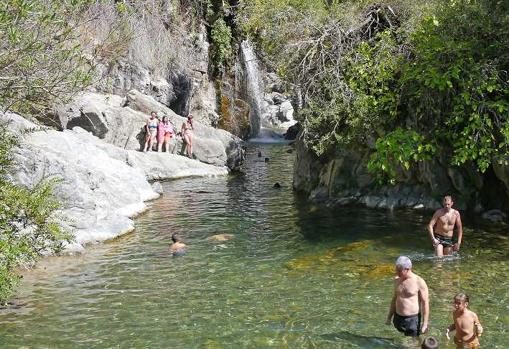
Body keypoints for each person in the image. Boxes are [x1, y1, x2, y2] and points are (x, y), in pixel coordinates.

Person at [386, 256, 430, 337]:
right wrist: (389, 317)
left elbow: (425, 303)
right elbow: (394, 299)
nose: (396, 272)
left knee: (413, 343)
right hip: (398, 318)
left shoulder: (419, 281)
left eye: (399, 270)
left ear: (407, 269)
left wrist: (425, 323)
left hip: (412, 320)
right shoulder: (397, 280)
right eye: (396, 269)